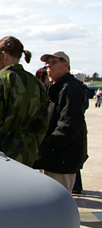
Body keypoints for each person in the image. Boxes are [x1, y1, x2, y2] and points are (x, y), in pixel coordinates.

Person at [0, 36, 48, 165]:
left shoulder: (0, 81)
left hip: (2, 152)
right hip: (28, 152)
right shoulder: (36, 83)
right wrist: (32, 143)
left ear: (4, 55)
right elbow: (43, 122)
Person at [34, 51, 88, 194]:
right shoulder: (53, 87)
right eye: (47, 63)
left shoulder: (70, 88)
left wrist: (47, 146)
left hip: (63, 158)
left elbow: (69, 124)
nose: (48, 67)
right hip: (52, 158)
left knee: (59, 201)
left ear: (66, 65)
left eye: (54, 62)